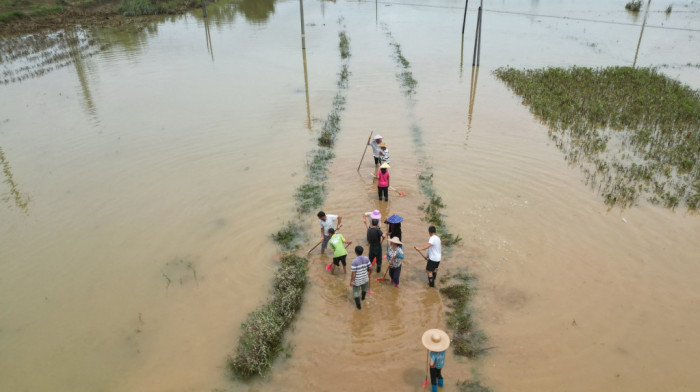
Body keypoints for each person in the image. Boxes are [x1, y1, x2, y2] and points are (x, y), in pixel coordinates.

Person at [350, 246, 372, 310]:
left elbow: (353, 273)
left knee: (356, 293)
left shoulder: (354, 261)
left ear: (355, 252)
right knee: (364, 289)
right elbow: (370, 268)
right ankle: (363, 299)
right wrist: (369, 274)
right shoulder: (366, 258)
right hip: (365, 278)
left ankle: (359, 307)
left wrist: (351, 281)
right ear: (362, 251)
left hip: (357, 280)